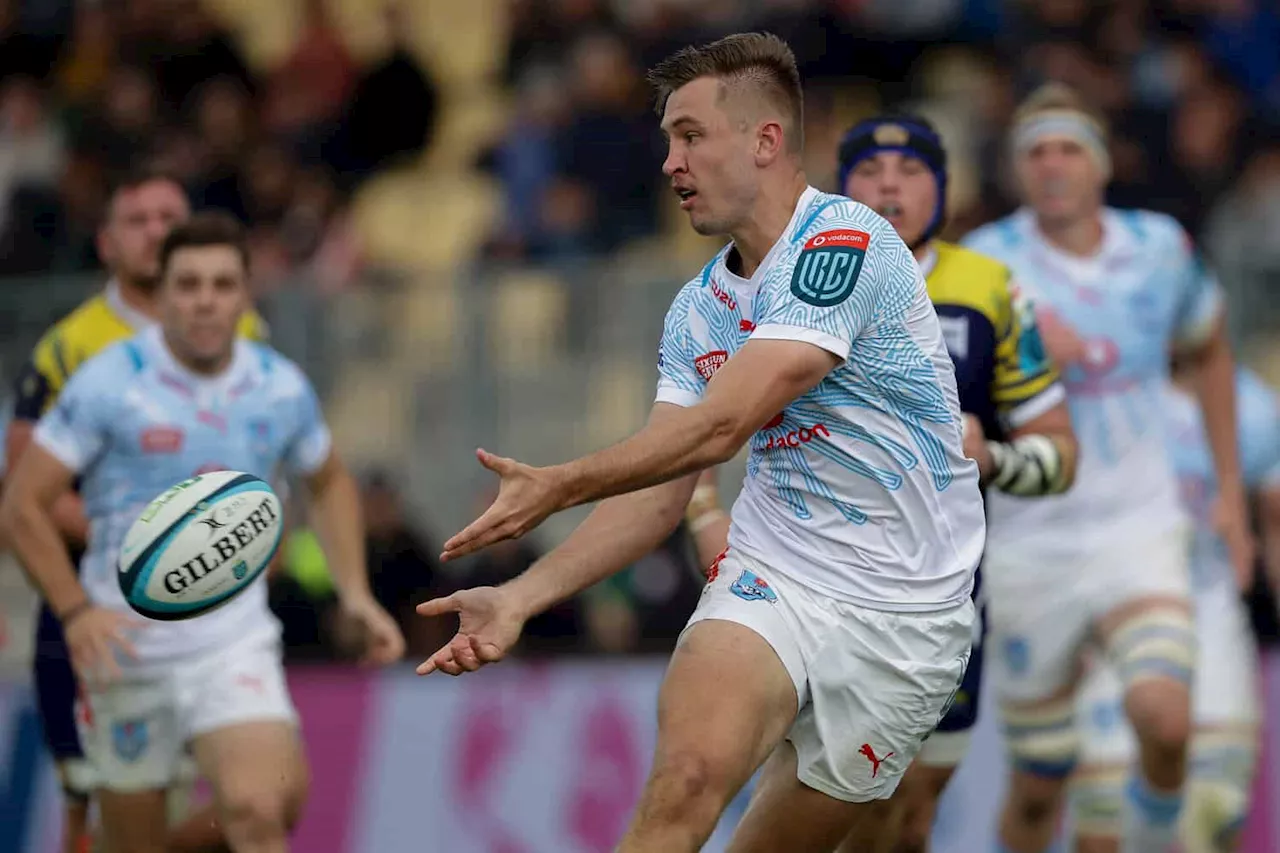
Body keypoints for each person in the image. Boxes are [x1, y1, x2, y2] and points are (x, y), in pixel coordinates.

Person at [416, 33, 986, 853]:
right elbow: (661, 490)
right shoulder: (697, 309)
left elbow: (723, 424)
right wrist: (522, 595)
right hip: (774, 576)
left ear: (764, 141)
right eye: (666, 140)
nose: (669, 163)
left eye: (689, 135)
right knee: (683, 781)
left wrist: (561, 482)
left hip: (911, 620)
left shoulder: (846, 245)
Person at [684, 113, 1079, 853]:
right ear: (842, 186)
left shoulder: (990, 289)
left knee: (903, 813)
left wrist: (992, 457)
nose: (890, 186)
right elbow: (700, 409)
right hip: (797, 583)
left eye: (912, 172)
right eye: (869, 173)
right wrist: (704, 511)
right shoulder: (795, 273)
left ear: (945, 189)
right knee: (799, 795)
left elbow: (1061, 454)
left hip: (935, 602)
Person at [0, 212, 404, 853]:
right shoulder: (107, 383)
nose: (206, 301)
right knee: (136, 844)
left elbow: (327, 480)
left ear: (245, 295)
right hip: (125, 651)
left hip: (232, 647)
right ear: (161, 294)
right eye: (188, 285)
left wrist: (355, 591)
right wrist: (76, 613)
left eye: (222, 284)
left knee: (264, 806)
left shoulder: (279, 386)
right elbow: (20, 504)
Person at [962, 83, 1249, 853]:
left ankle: (1154, 842)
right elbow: (950, 394)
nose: (1052, 165)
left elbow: (1212, 348)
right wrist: (1017, 361)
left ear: (1099, 165)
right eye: (1036, 152)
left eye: (1067, 149)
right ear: (1019, 169)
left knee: (1165, 718)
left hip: (1141, 531)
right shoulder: (986, 263)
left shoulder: (1160, 247)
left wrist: (1230, 496)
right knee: (1039, 783)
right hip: (1032, 543)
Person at [3, 167, 269, 853]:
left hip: (219, 620)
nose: (157, 231)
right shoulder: (71, 345)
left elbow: (268, 463)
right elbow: (22, 486)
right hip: (106, 623)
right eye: (138, 219)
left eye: (169, 217)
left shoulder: (247, 332)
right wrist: (146, 547)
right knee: (93, 814)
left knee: (255, 802)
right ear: (107, 244)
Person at [1071, 365, 1280, 853]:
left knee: (1211, 818)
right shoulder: (1095, 388)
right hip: (1114, 631)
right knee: (1106, 828)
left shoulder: (1250, 405)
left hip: (1213, 634)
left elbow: (1274, 521)